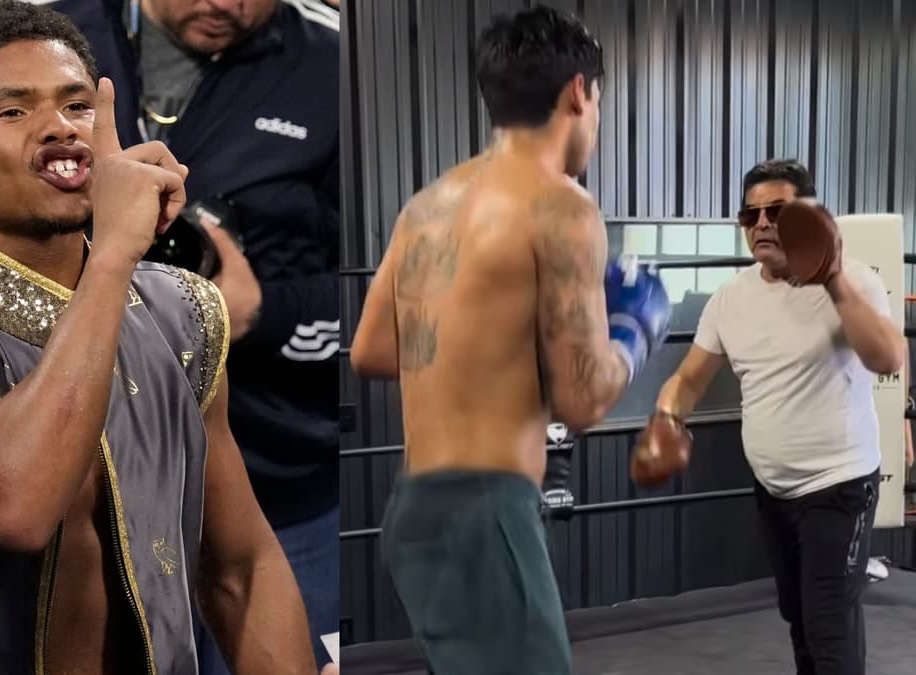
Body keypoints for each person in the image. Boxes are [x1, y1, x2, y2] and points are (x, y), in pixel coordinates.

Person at [0, 3, 315, 674]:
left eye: (77, 107)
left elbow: (238, 567)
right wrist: (111, 259)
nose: (59, 129)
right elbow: (11, 503)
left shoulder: (182, 311)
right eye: (12, 112)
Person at [349, 7, 669, 674]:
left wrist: (492, 343)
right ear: (579, 92)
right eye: (598, 102)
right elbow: (583, 402)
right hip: (486, 510)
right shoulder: (562, 206)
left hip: (416, 509)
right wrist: (636, 325)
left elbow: (373, 348)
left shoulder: (429, 203)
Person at [648, 158, 907, 675]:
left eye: (778, 212)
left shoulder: (853, 281)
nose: (762, 224)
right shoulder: (730, 299)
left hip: (839, 487)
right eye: (752, 216)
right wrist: (666, 417)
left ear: (809, 217)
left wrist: (830, 278)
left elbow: (887, 358)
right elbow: (689, 379)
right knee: (800, 621)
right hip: (774, 490)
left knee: (829, 625)